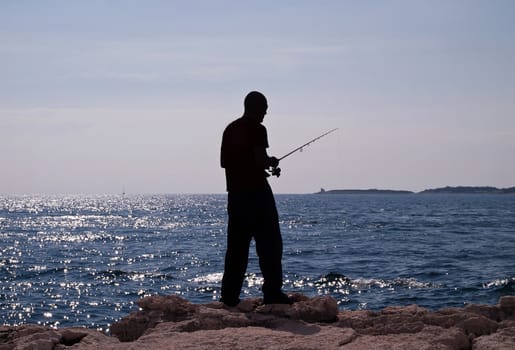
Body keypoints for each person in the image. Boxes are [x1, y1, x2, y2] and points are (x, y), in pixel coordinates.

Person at [220, 91, 291, 306]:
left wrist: (260, 164)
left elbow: (225, 163)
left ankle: (229, 297)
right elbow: (260, 160)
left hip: (236, 196)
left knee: (236, 249)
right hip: (258, 195)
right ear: (255, 107)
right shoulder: (258, 129)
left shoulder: (230, 128)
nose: (266, 111)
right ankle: (272, 293)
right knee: (270, 245)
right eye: (264, 107)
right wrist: (270, 162)